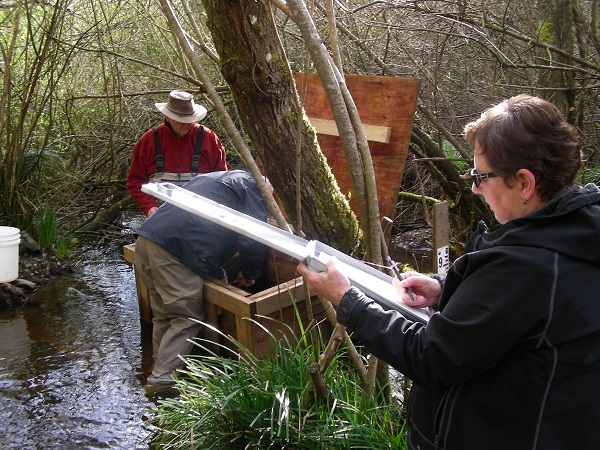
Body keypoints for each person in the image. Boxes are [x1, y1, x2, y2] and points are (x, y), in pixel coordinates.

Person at [297, 94, 600, 449]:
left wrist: (347, 299)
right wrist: (445, 286)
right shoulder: (573, 232)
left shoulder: (528, 269)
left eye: (480, 176)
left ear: (524, 183)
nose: (473, 187)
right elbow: (506, 318)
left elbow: (431, 357)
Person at [134, 170, 269, 391]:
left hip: (147, 240)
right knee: (186, 319)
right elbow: (252, 238)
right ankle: (160, 386)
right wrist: (251, 273)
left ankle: (157, 365)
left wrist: (219, 273)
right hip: (174, 252)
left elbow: (201, 228)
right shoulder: (252, 188)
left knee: (163, 315)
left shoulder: (218, 179)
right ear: (266, 189)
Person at [126, 90, 228, 217]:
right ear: (168, 117)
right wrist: (149, 207)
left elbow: (222, 181)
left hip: (201, 216)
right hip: (160, 215)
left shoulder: (209, 139)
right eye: (181, 122)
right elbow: (135, 182)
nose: (186, 126)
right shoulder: (149, 141)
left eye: (189, 121)